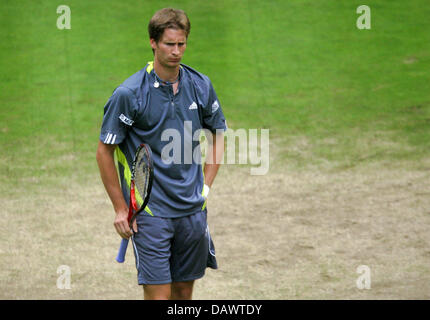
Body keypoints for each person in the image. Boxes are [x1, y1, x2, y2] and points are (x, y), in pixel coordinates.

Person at [96, 7, 227, 300]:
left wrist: (205, 187)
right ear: (153, 43)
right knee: (159, 297)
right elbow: (104, 151)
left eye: (181, 44)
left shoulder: (200, 85)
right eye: (169, 44)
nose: (177, 52)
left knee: (183, 294)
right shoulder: (129, 95)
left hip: (192, 211)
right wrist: (120, 208)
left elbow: (218, 134)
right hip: (151, 214)